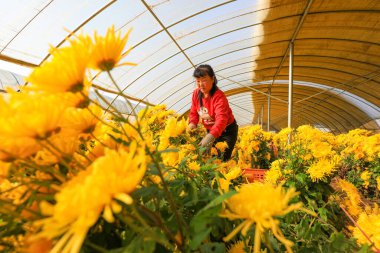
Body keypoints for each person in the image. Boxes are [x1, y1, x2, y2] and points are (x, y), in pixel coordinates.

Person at [188, 64, 238, 161]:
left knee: (221, 159)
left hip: (226, 132)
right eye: (198, 81)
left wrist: (210, 137)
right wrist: (192, 124)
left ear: (213, 79)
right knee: (208, 158)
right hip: (211, 131)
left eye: (204, 80)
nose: (200, 84)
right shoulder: (196, 94)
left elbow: (222, 120)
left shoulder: (219, 97)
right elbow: (194, 112)